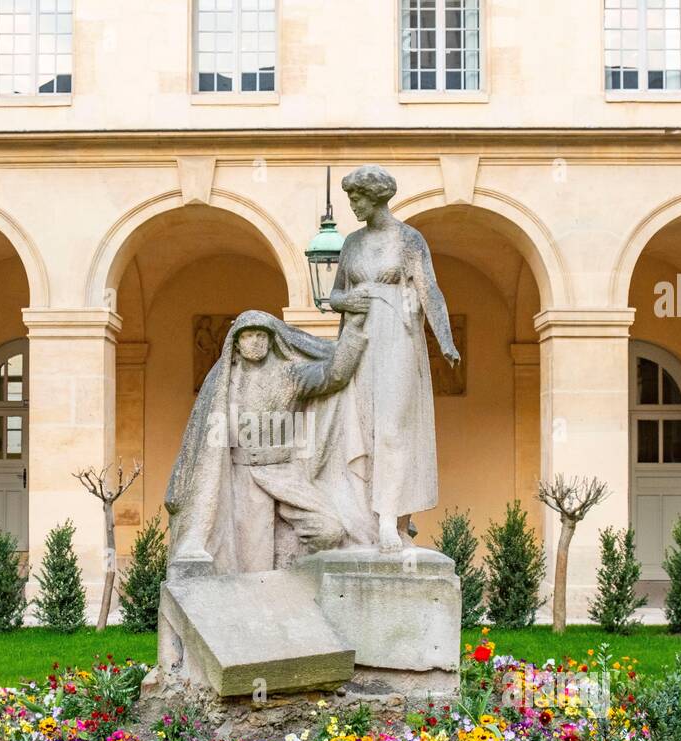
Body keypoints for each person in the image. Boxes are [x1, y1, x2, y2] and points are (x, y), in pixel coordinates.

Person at [165, 309, 373, 574]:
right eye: (248, 336)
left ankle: (297, 579)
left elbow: (334, 375)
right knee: (253, 565)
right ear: (237, 344)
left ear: (272, 340)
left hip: (285, 472)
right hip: (243, 476)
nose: (255, 341)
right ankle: (268, 599)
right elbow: (205, 439)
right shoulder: (224, 382)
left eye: (261, 335)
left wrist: (354, 330)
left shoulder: (289, 374)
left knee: (329, 529)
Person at [329, 164, 461, 552]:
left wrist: (446, 340)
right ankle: (364, 519)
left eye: (357, 198)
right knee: (362, 429)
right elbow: (335, 294)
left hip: (398, 338)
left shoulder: (408, 239)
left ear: (376, 198)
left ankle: (390, 519)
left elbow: (429, 291)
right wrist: (347, 299)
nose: (352, 205)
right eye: (351, 197)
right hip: (360, 341)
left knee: (393, 428)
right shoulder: (351, 243)